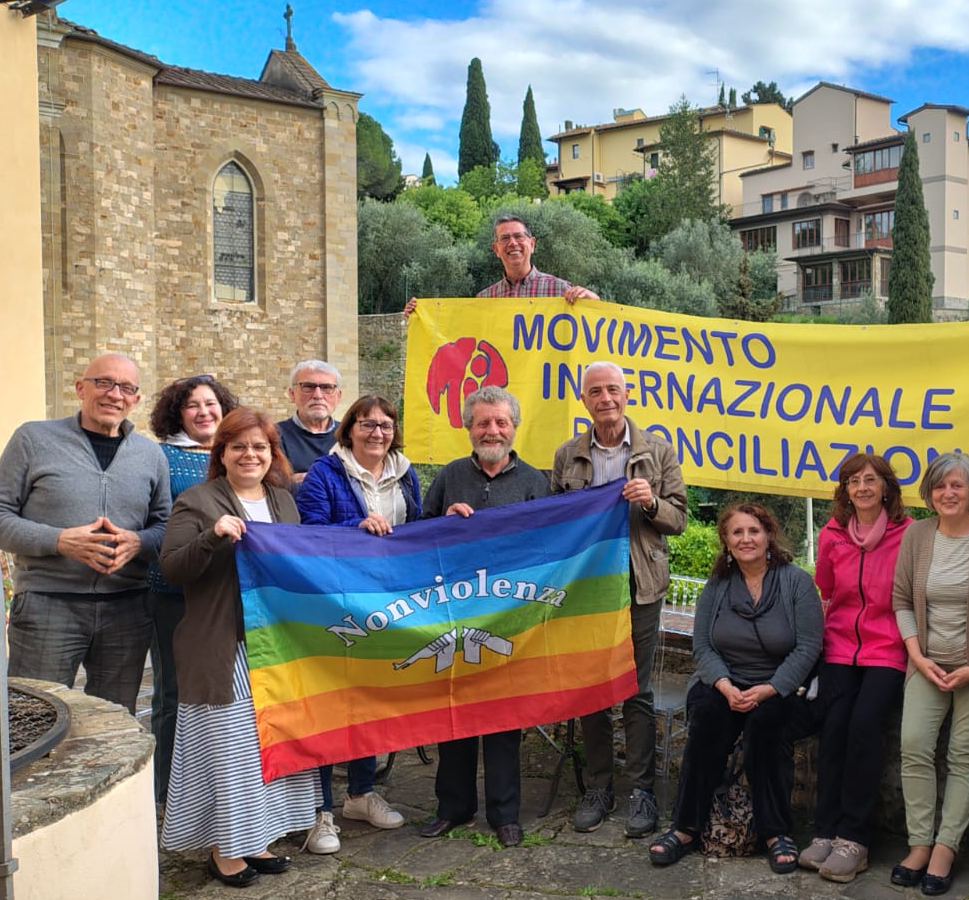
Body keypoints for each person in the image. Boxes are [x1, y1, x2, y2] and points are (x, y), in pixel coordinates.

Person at [157, 408, 321, 887]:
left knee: (267, 745)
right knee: (228, 750)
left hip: (275, 644)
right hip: (223, 645)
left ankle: (257, 837)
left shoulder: (282, 501)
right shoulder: (198, 500)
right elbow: (172, 568)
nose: (250, 455)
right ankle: (224, 848)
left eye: (260, 447)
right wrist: (213, 536)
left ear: (273, 454)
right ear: (222, 453)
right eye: (239, 447)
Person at [551, 360, 689, 838]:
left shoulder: (658, 451)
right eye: (595, 391)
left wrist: (650, 502)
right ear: (584, 399)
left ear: (626, 395)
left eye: (613, 390)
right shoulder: (567, 455)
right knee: (592, 688)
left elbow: (679, 520)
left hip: (639, 585)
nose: (605, 398)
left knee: (637, 690)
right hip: (588, 590)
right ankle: (598, 787)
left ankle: (642, 791)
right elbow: (555, 521)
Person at [0, 352, 171, 714]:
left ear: (135, 398)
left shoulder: (151, 455)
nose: (113, 394)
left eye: (126, 387)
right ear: (80, 388)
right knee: (31, 718)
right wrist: (59, 540)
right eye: (103, 382)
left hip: (127, 609)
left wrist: (138, 542)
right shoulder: (33, 438)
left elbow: (164, 527)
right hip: (47, 605)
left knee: (114, 725)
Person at [648, 503, 822, 873]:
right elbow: (703, 646)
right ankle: (685, 827)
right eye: (737, 532)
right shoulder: (718, 586)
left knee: (767, 726)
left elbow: (809, 646)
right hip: (724, 683)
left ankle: (776, 832)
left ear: (769, 535)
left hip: (781, 688)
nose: (746, 539)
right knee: (708, 717)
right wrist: (725, 686)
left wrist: (770, 688)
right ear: (726, 541)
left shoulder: (796, 582)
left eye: (754, 531)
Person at [418, 385, 550, 847]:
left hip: (510, 617)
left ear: (514, 427)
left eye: (500, 422)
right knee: (453, 712)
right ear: (468, 427)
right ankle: (452, 807)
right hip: (453, 614)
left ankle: (504, 813)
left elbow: (549, 548)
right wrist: (443, 521)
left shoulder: (536, 481)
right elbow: (418, 536)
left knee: (503, 716)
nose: (492, 430)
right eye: (482, 422)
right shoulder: (450, 476)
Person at [295, 396, 420, 852]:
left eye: (386, 425)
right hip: (336, 604)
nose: (377, 432)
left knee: (370, 699)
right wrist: (356, 526)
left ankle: (360, 794)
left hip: (387, 605)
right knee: (331, 703)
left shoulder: (407, 473)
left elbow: (417, 531)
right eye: (367, 424)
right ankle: (319, 810)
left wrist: (451, 523)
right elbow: (310, 534)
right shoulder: (323, 474)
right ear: (348, 429)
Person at [891, 452, 969, 897]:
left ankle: (946, 848)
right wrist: (918, 656)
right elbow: (901, 600)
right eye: (941, 486)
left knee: (964, 753)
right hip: (925, 661)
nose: (948, 493)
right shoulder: (917, 536)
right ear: (929, 492)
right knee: (914, 746)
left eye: (957, 485)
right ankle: (919, 843)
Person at [802, 453, 912, 883]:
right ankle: (826, 830)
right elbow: (824, 592)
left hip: (888, 649)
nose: (862, 488)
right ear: (844, 490)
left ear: (886, 487)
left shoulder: (909, 533)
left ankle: (855, 839)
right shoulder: (831, 534)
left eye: (870, 480)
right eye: (852, 481)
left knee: (865, 726)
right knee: (834, 728)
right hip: (840, 647)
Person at [146, 373, 239, 804]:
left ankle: (215, 784)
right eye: (192, 406)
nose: (204, 412)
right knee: (173, 691)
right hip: (175, 591)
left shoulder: (236, 454)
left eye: (211, 403)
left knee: (224, 690)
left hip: (228, 592)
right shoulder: (162, 457)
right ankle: (166, 792)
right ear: (177, 414)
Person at [403, 213, 599, 314]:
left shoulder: (561, 290)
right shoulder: (484, 299)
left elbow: (592, 329)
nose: (512, 243)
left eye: (518, 237)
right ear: (496, 249)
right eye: (505, 238)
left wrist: (593, 301)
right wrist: (420, 314)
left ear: (531, 244)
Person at [276, 360, 343, 487]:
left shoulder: (350, 435)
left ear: (338, 396)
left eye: (327, 388)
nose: (318, 395)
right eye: (308, 387)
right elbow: (272, 485)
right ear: (292, 394)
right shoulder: (274, 435)